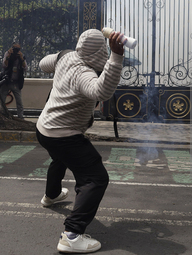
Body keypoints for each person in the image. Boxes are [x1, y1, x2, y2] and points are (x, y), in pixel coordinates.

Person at [37, 29, 126, 253]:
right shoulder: (83, 73)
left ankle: (51, 195)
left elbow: (42, 64)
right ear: (100, 51)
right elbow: (101, 91)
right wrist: (116, 56)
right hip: (64, 133)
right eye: (104, 49)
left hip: (44, 128)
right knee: (95, 178)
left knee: (59, 159)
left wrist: (60, 61)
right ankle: (72, 235)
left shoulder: (65, 56)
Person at [1, 42, 27, 119]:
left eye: (18, 49)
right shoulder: (7, 54)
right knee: (2, 99)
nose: (16, 50)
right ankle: (3, 116)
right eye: (14, 48)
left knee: (19, 101)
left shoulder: (21, 56)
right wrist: (8, 56)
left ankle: (20, 117)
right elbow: (4, 65)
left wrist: (21, 58)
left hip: (16, 82)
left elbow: (25, 68)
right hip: (6, 81)